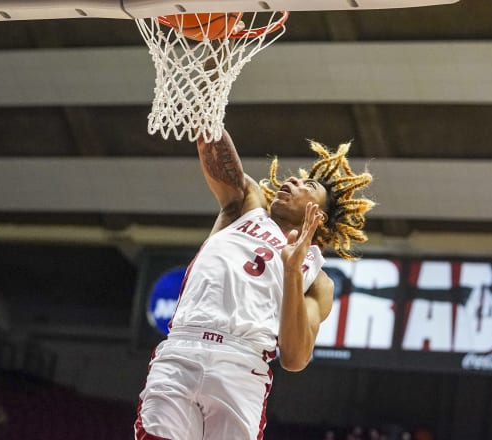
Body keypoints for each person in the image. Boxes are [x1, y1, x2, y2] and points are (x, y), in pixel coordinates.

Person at [135, 129, 374, 439]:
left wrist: (291, 273)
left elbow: (295, 358)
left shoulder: (318, 281)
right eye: (295, 180)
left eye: (308, 186)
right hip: (182, 349)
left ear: (321, 217)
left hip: (241, 365)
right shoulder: (247, 208)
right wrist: (209, 115)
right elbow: (216, 150)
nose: (292, 182)